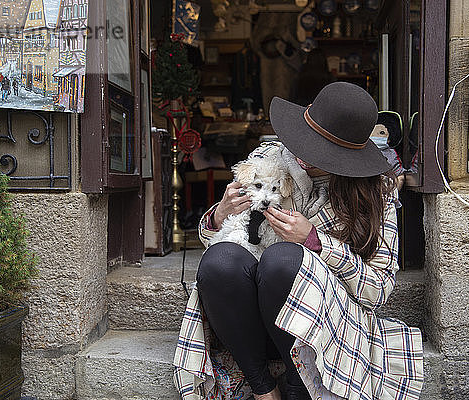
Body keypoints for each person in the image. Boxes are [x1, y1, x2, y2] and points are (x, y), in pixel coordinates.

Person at [173, 82, 423, 400]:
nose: (305, 153)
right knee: (220, 261)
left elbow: (379, 289)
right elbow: (217, 236)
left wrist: (315, 241)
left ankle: (298, 387)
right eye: (307, 141)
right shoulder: (269, 161)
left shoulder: (377, 192)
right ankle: (264, 389)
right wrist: (220, 212)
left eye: (321, 150)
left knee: (285, 259)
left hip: (322, 329)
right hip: (251, 324)